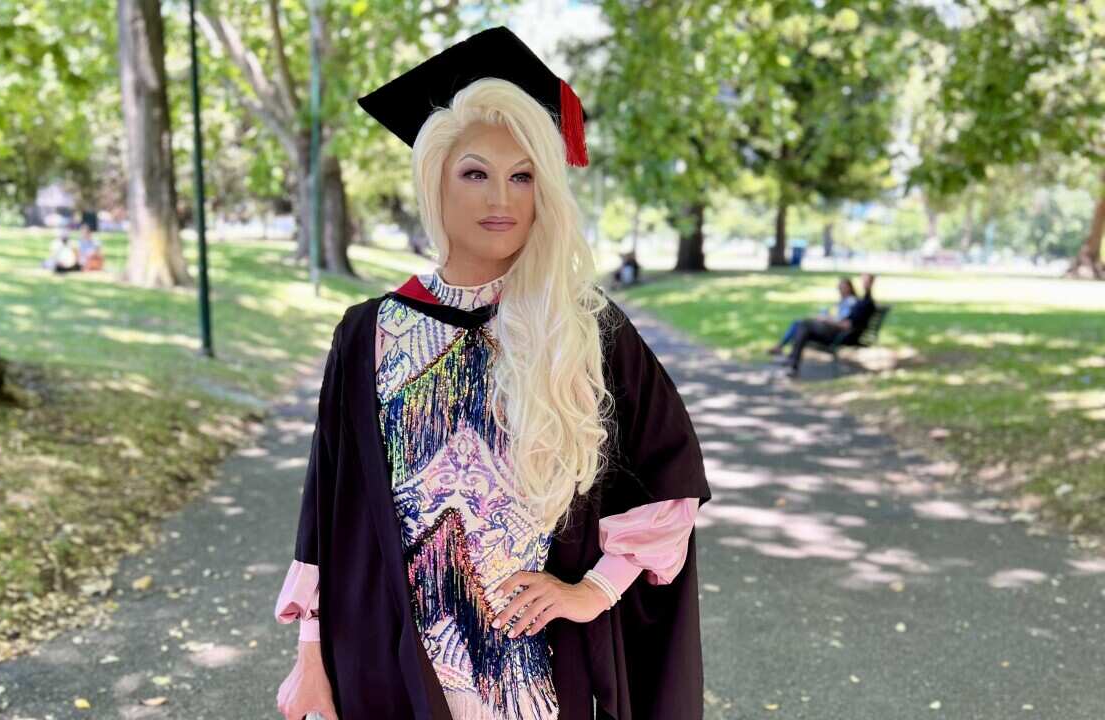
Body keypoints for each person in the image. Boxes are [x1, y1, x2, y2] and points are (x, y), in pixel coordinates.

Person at [272, 27, 712, 720]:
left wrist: (592, 591)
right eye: (475, 172)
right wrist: (309, 652)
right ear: (436, 180)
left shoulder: (584, 329)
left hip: (531, 670)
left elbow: (668, 477)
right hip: (387, 656)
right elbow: (329, 507)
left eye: (523, 175)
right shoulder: (370, 333)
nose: (499, 198)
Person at [782, 272, 877, 378]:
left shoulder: (865, 304)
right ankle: (792, 362)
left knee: (804, 325)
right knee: (802, 326)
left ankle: (792, 362)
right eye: (862, 279)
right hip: (838, 332)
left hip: (842, 336)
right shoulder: (861, 301)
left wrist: (827, 320)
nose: (863, 283)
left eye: (866, 281)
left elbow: (847, 325)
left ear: (872, 282)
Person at [766, 276, 859, 356]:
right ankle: (789, 356)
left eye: (842, 287)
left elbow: (843, 322)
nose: (840, 290)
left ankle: (786, 353)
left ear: (849, 288)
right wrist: (822, 315)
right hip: (827, 327)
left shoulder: (851, 302)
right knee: (799, 324)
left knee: (801, 325)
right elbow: (832, 314)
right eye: (839, 287)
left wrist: (825, 319)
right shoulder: (842, 301)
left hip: (832, 332)